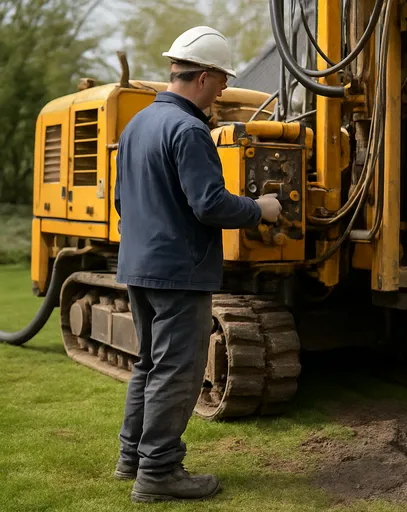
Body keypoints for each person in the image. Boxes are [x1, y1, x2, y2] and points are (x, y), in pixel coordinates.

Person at [112, 26, 282, 503]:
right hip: (178, 273)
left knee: (148, 365)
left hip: (139, 267)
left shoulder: (137, 125)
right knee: (178, 372)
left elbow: (125, 202)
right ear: (204, 76)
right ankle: (160, 473)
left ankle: (133, 459)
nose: (226, 88)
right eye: (223, 79)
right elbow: (209, 205)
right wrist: (259, 209)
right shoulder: (189, 130)